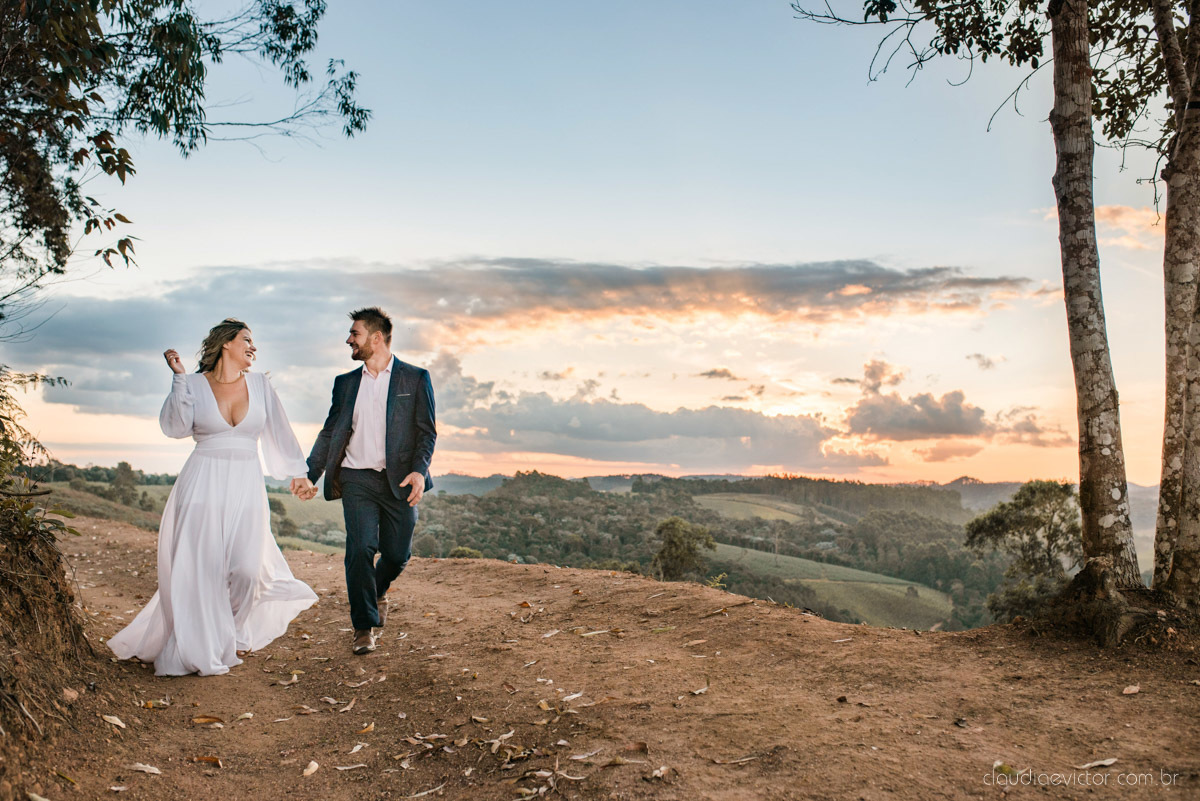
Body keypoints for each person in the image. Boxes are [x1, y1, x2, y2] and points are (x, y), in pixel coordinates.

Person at [107, 319, 319, 676]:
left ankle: (229, 631)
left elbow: (280, 432)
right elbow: (175, 428)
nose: (253, 347)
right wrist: (178, 378)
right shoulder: (192, 384)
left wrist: (299, 473)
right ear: (226, 344)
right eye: (246, 339)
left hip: (246, 487)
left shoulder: (260, 384)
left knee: (247, 570)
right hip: (201, 484)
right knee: (199, 570)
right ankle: (201, 642)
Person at [304, 307, 436, 655]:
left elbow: (426, 432)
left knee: (397, 554)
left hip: (400, 481)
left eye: (355, 333)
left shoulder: (415, 378)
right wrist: (309, 474)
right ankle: (363, 627)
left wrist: (419, 471)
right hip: (356, 478)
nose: (349, 339)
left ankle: (377, 591)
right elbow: (331, 432)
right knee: (360, 548)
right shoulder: (345, 384)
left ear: (376, 338)